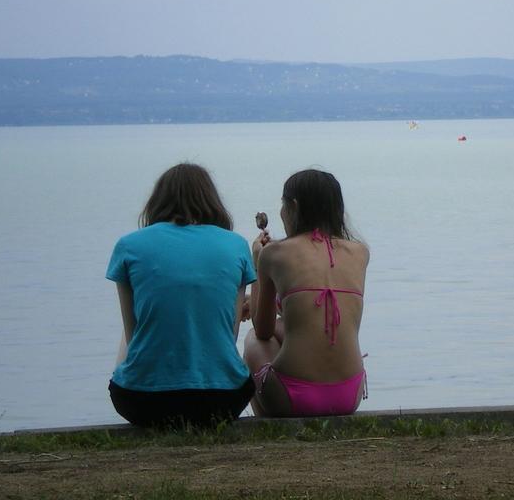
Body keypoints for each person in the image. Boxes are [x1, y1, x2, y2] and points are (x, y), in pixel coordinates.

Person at [106, 163, 256, 428]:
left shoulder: (129, 246)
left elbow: (133, 335)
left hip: (142, 402)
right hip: (223, 400)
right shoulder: (236, 245)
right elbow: (229, 336)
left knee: (133, 331)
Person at [243, 169, 369, 417]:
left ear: (294, 206)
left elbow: (263, 329)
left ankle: (267, 424)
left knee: (253, 339)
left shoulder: (274, 254)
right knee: (288, 326)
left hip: (293, 397)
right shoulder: (360, 253)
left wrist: (258, 262)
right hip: (349, 395)